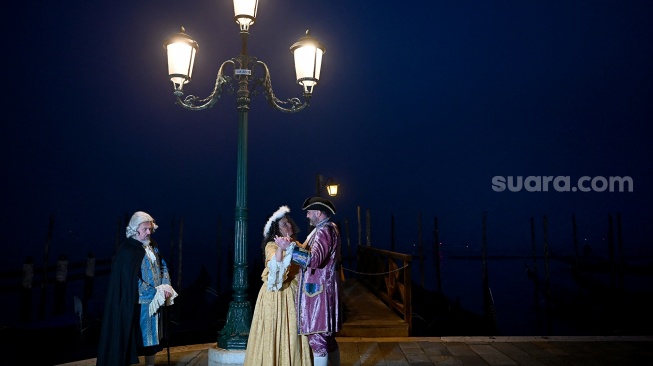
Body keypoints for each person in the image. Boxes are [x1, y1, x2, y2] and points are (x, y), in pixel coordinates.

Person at [97, 211, 178, 366]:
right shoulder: (126, 251)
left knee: (153, 342)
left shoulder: (153, 246)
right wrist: (155, 292)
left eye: (150, 229)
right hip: (136, 304)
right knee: (134, 339)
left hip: (155, 302)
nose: (149, 232)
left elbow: (162, 266)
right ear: (135, 229)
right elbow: (130, 280)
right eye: (146, 229)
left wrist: (166, 285)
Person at [244, 205, 312, 366]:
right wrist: (282, 249)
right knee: (275, 332)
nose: (288, 226)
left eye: (288, 223)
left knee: (293, 334)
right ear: (276, 231)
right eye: (283, 224)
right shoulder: (272, 246)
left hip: (294, 294)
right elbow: (275, 269)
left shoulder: (296, 243)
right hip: (277, 296)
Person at [279, 197, 343, 366]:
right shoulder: (329, 228)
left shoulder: (324, 230)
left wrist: (289, 249)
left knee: (318, 339)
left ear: (318, 212)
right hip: (323, 289)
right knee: (327, 340)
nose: (307, 216)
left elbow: (314, 260)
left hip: (318, 293)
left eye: (309, 212)